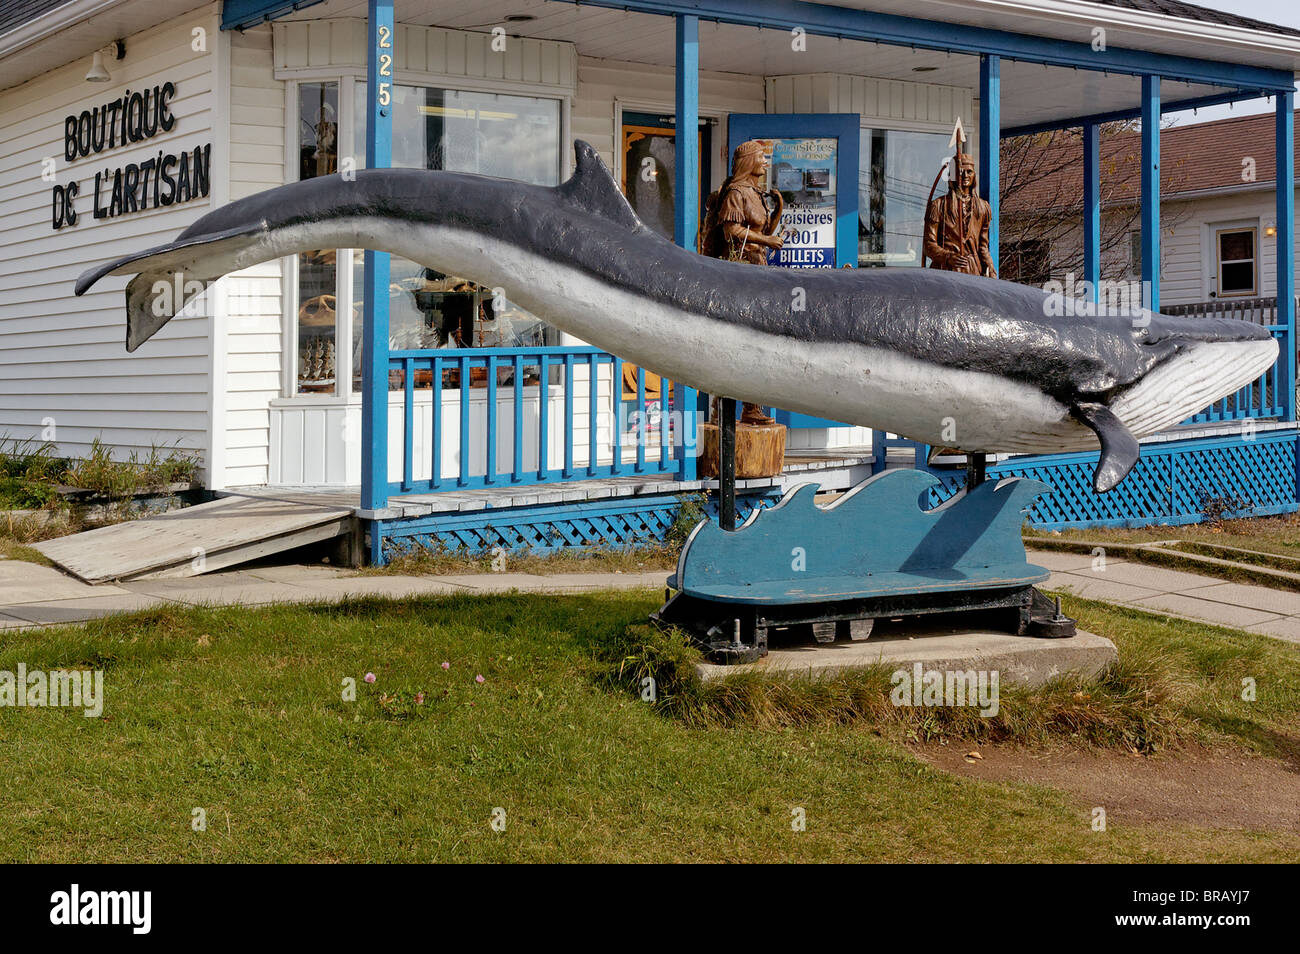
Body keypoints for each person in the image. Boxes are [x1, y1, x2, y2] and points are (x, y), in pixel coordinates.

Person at [701, 140, 784, 425]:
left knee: (758, 343)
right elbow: (732, 230)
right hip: (739, 275)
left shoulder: (755, 193)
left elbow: (762, 232)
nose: (765, 163)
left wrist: (779, 209)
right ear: (749, 161)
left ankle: (752, 407)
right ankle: (719, 409)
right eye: (761, 158)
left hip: (757, 271)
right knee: (736, 343)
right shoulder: (736, 193)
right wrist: (767, 240)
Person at [923, 152, 998, 278]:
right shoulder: (938, 205)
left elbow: (983, 247)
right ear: (952, 175)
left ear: (974, 174)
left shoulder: (983, 208)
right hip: (945, 272)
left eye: (969, 171)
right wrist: (948, 257)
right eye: (960, 171)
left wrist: (990, 268)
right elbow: (928, 245)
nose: (965, 175)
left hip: (973, 272)